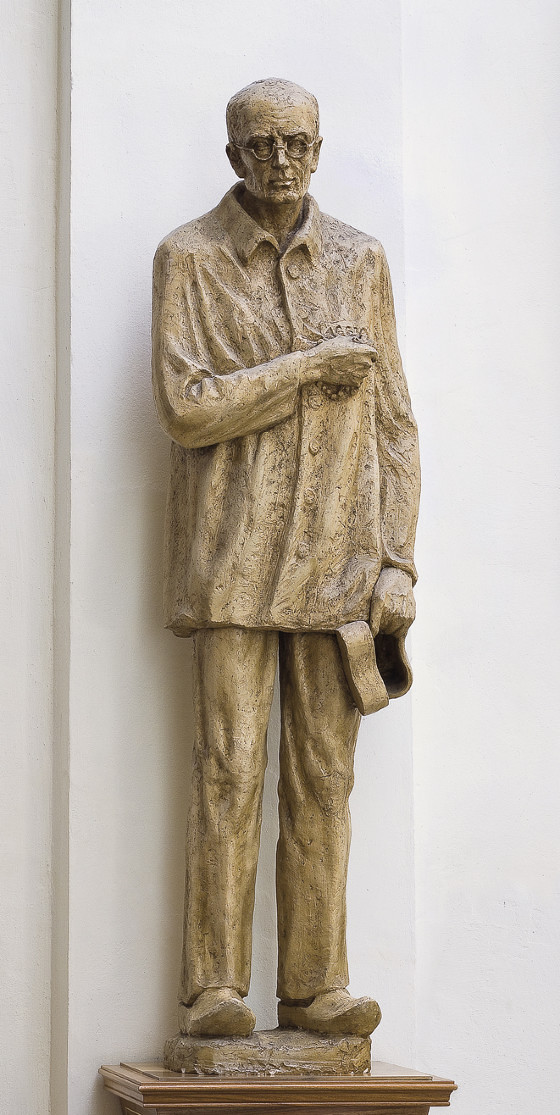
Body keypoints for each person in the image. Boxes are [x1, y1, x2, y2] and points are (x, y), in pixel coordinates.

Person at [152, 78, 420, 1040]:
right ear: (233, 155)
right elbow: (187, 407)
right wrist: (307, 369)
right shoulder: (189, 258)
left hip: (339, 563)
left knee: (324, 777)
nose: (280, 160)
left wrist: (398, 562)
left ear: (320, 147)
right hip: (231, 560)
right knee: (227, 768)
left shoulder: (359, 260)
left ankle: (315, 986)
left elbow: (393, 424)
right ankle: (214, 988)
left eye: (297, 141)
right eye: (261, 144)